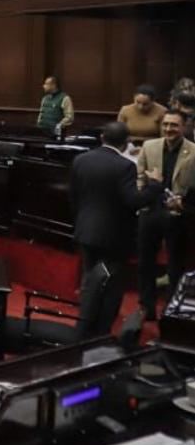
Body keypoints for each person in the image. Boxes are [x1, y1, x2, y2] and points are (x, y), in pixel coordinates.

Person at [70, 122, 163, 337]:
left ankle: (84, 325)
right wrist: (155, 185)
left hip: (85, 230)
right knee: (111, 285)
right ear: (126, 143)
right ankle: (102, 331)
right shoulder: (125, 166)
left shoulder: (81, 159)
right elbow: (133, 200)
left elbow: (73, 196)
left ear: (102, 137)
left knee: (90, 280)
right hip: (113, 237)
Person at [137, 111, 195, 318]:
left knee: (175, 265)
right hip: (151, 211)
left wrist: (183, 203)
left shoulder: (193, 151)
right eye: (166, 124)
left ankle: (171, 309)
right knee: (145, 262)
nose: (169, 129)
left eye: (174, 125)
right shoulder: (148, 146)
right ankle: (147, 307)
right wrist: (143, 199)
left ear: (184, 127)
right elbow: (140, 177)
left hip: (177, 215)